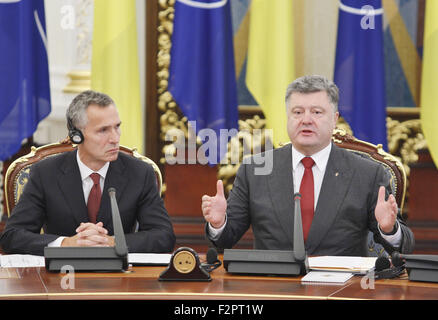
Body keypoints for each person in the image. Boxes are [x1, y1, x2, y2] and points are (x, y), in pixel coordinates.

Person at [201, 75, 414, 256]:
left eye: (317, 112)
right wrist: (219, 223)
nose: (306, 120)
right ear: (288, 117)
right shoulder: (255, 169)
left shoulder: (368, 173)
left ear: (334, 120)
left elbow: (405, 244)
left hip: (341, 290)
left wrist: (388, 228)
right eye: (297, 112)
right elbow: (224, 241)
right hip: (272, 285)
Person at [1, 90, 176, 255]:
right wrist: (66, 243)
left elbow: (164, 235)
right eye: (103, 130)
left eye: (117, 127)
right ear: (77, 135)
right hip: (61, 277)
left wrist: (112, 242)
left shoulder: (139, 172)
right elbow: (12, 236)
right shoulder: (45, 173)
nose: (115, 138)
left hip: (119, 279)